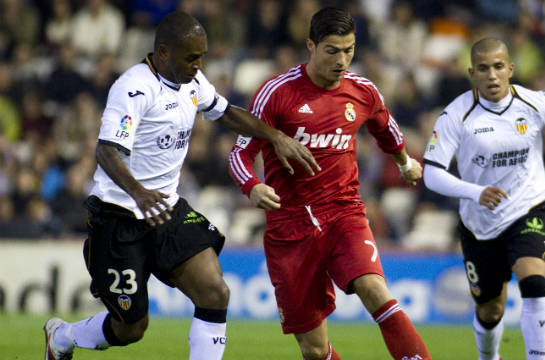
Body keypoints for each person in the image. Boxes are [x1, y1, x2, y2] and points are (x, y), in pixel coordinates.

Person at [43, 11, 319, 360]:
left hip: (167, 209)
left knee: (215, 292)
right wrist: (139, 193)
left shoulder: (193, 82)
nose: (199, 64)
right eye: (192, 57)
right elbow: (106, 149)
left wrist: (275, 136)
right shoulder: (133, 88)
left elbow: (227, 113)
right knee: (131, 328)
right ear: (163, 53)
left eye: (202, 56)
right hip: (119, 216)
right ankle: (63, 336)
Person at [228, 7, 432, 360]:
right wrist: (252, 185)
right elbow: (240, 153)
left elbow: (387, 130)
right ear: (311, 45)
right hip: (289, 228)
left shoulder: (363, 92)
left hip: (343, 214)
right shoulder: (276, 92)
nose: (342, 60)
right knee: (314, 349)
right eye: (332, 50)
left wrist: (405, 163)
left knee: (374, 289)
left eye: (349, 50)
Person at [422, 38, 545, 360]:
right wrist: (476, 192)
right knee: (491, 311)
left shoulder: (533, 103)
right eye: (483, 68)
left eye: (499, 67)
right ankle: (489, 357)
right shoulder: (456, 116)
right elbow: (431, 174)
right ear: (471, 73)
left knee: (533, 281)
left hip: (527, 208)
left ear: (511, 69)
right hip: (480, 225)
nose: (492, 75)